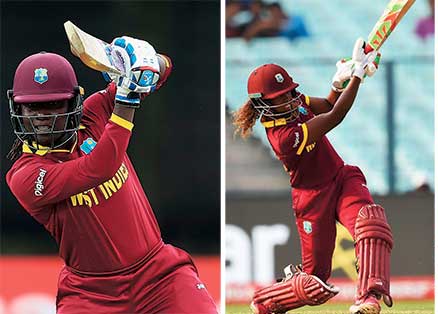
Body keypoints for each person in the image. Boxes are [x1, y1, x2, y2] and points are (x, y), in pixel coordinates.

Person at [5, 39, 218, 312]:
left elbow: (162, 70)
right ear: (18, 109)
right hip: (91, 295)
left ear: (74, 102)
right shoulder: (25, 175)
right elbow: (99, 167)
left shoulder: (94, 113)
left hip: (159, 276)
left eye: (54, 104)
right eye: (32, 106)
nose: (41, 116)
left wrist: (143, 61)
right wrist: (127, 99)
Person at [232, 38, 393, 314]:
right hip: (311, 198)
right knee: (314, 282)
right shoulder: (283, 138)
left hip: (341, 179)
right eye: (279, 97)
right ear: (263, 106)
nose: (288, 99)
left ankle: (368, 298)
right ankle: (265, 301)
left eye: (289, 92)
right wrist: (357, 75)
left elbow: (330, 104)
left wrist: (338, 82)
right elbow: (337, 116)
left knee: (370, 225)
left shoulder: (295, 103)